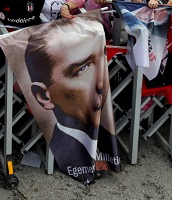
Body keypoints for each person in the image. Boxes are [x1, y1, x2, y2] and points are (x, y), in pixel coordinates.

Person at [24, 18, 120, 184]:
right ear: (44, 96)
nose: (100, 82)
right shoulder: (63, 145)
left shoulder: (108, 133)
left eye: (102, 61)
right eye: (82, 69)